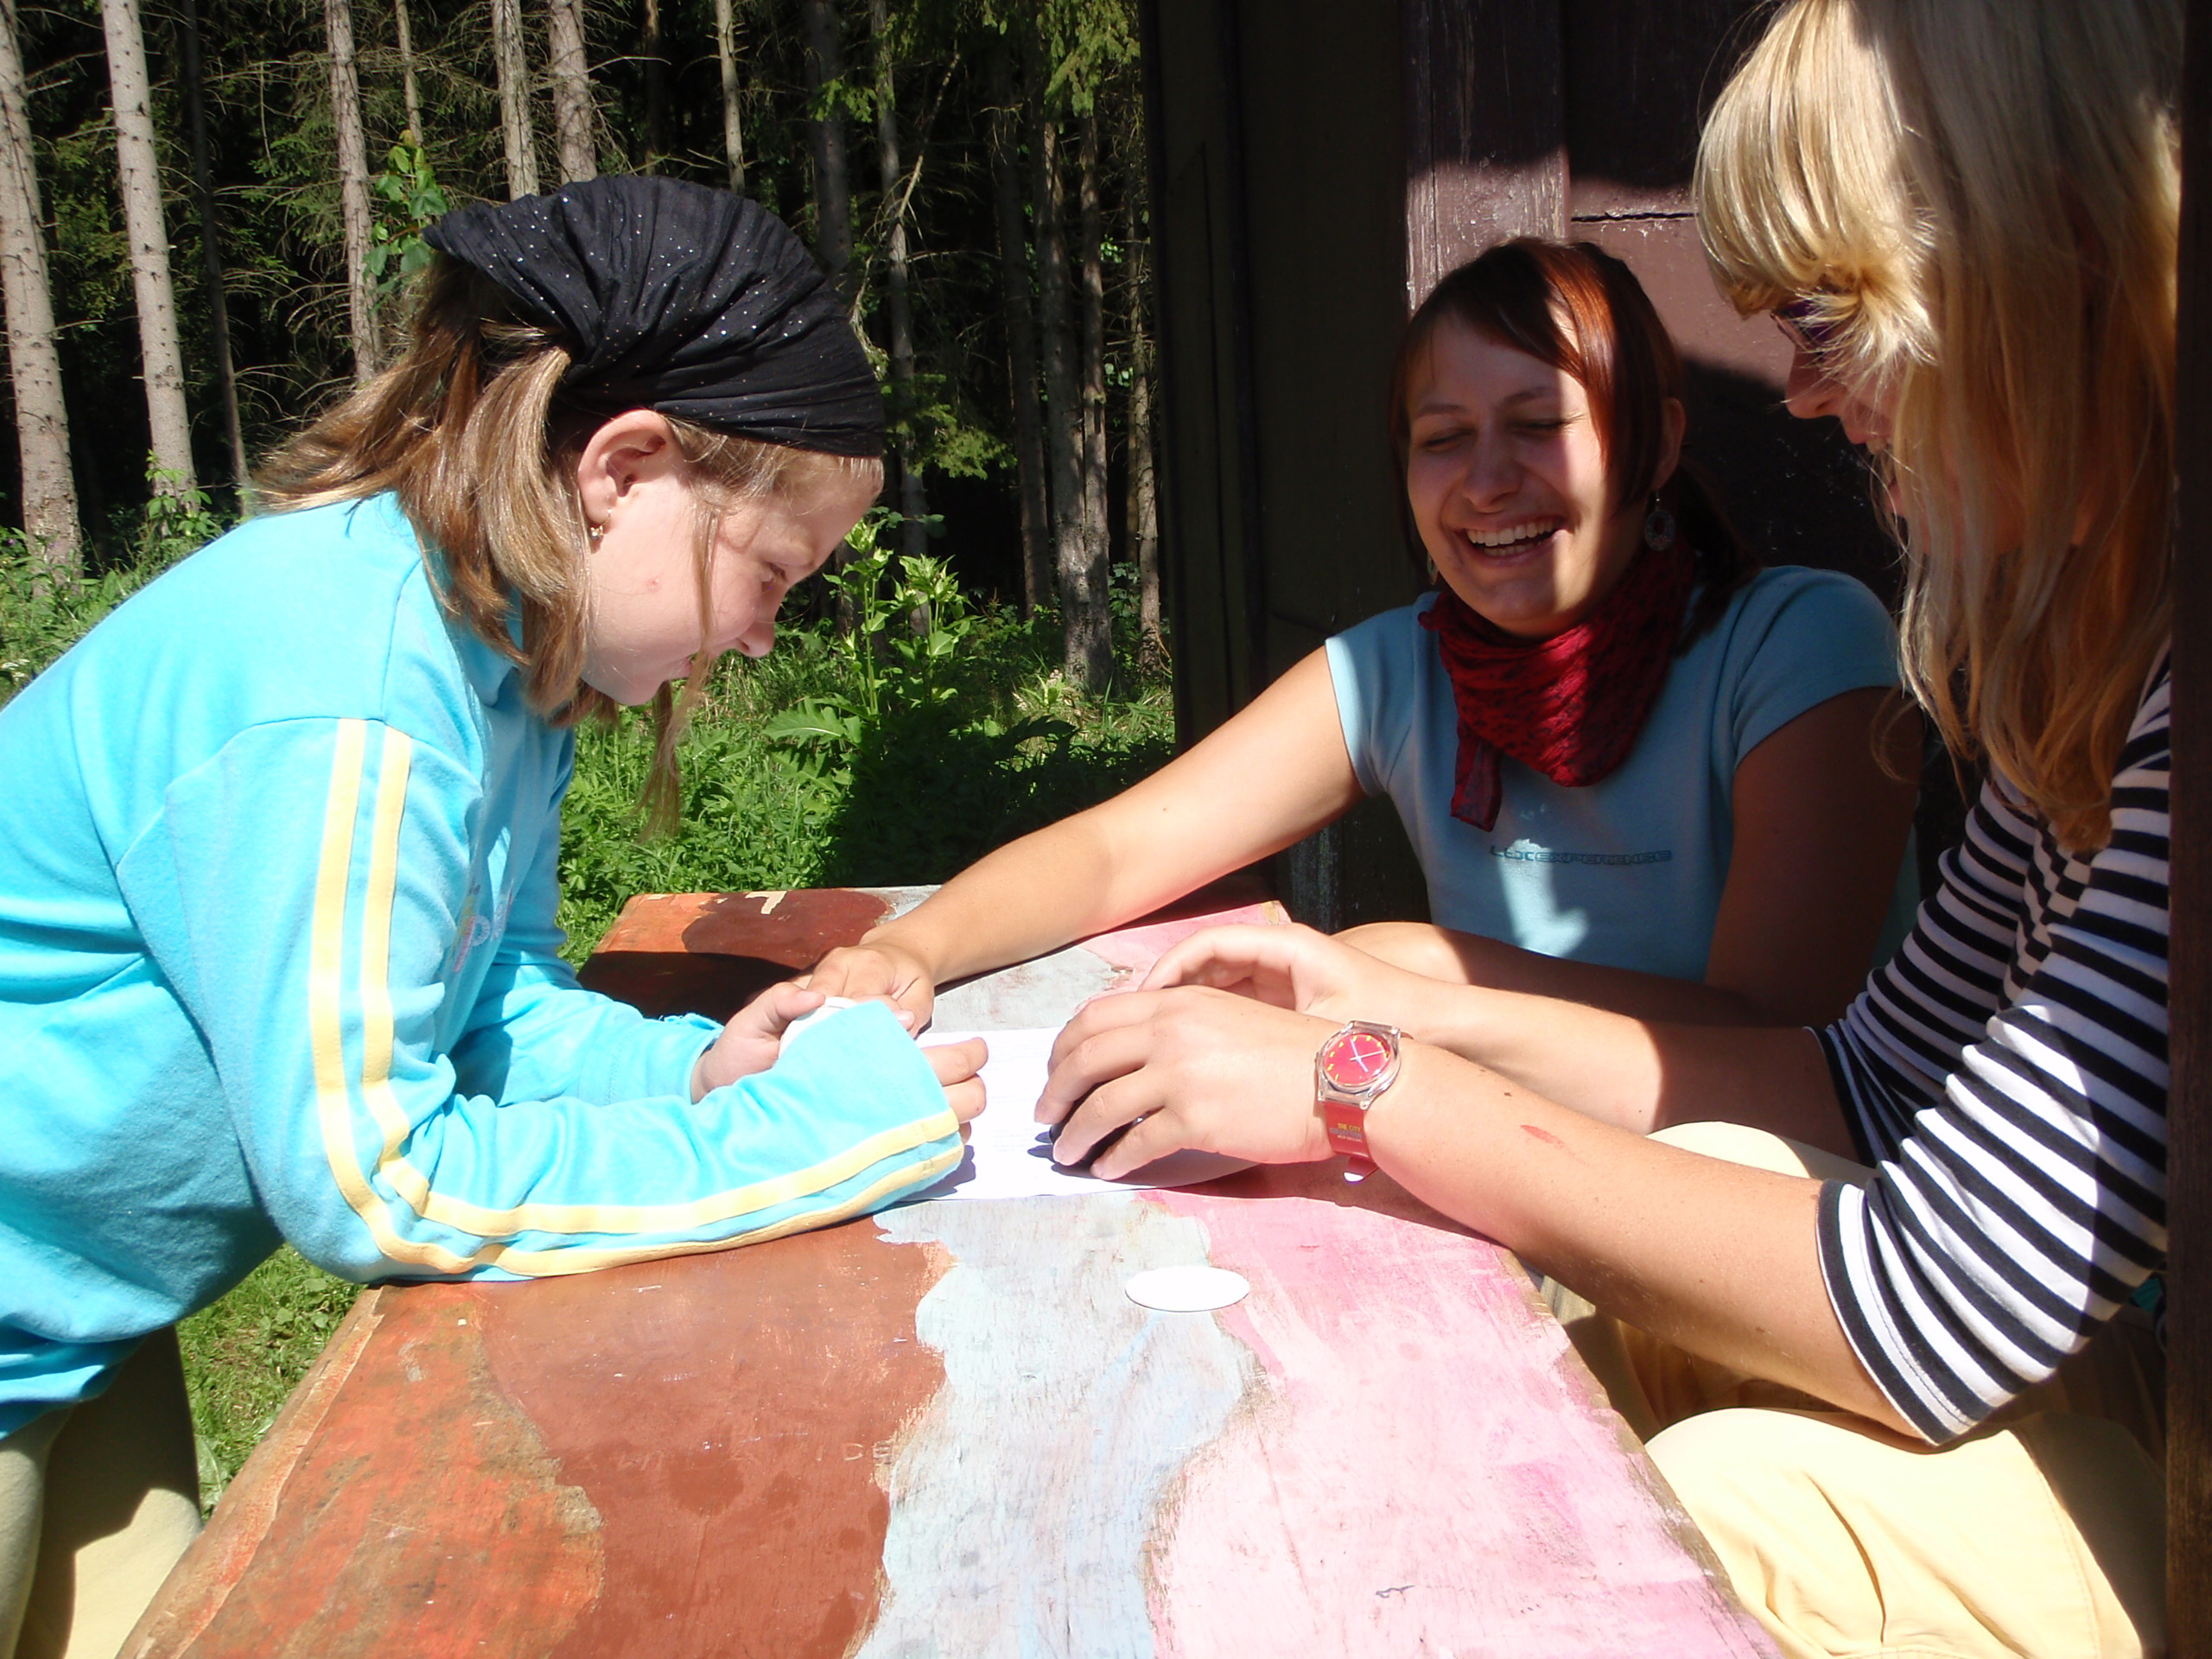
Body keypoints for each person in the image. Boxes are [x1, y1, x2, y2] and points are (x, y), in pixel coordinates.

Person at [1034, 1, 2176, 1654]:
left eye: (1832, 320)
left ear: (2044, 260)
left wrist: (1366, 1086)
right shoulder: (2091, 667)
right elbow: (1867, 1082)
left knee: (1712, 1520)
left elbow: (1933, 1306)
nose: (1805, 395)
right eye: (1442, 439)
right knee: (1701, 1207)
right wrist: (1376, 997)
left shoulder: (1877, 648)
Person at [0, 178, 985, 1659]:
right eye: (771, 574)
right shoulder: (350, 700)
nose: (761, 636)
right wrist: (806, 1144)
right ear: (622, 468)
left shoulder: (497, 662)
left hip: (77, 1325)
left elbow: (491, 1001)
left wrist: (696, 1072)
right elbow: (379, 1185)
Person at [817, 238, 1919, 1033]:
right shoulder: (1402, 667)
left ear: (1655, 443)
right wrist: (906, 949)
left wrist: (1418, 971)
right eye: (1443, 439)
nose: (1486, 482)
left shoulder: (1799, 645)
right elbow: (1119, 850)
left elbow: (1774, 1035)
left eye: (1538, 424)